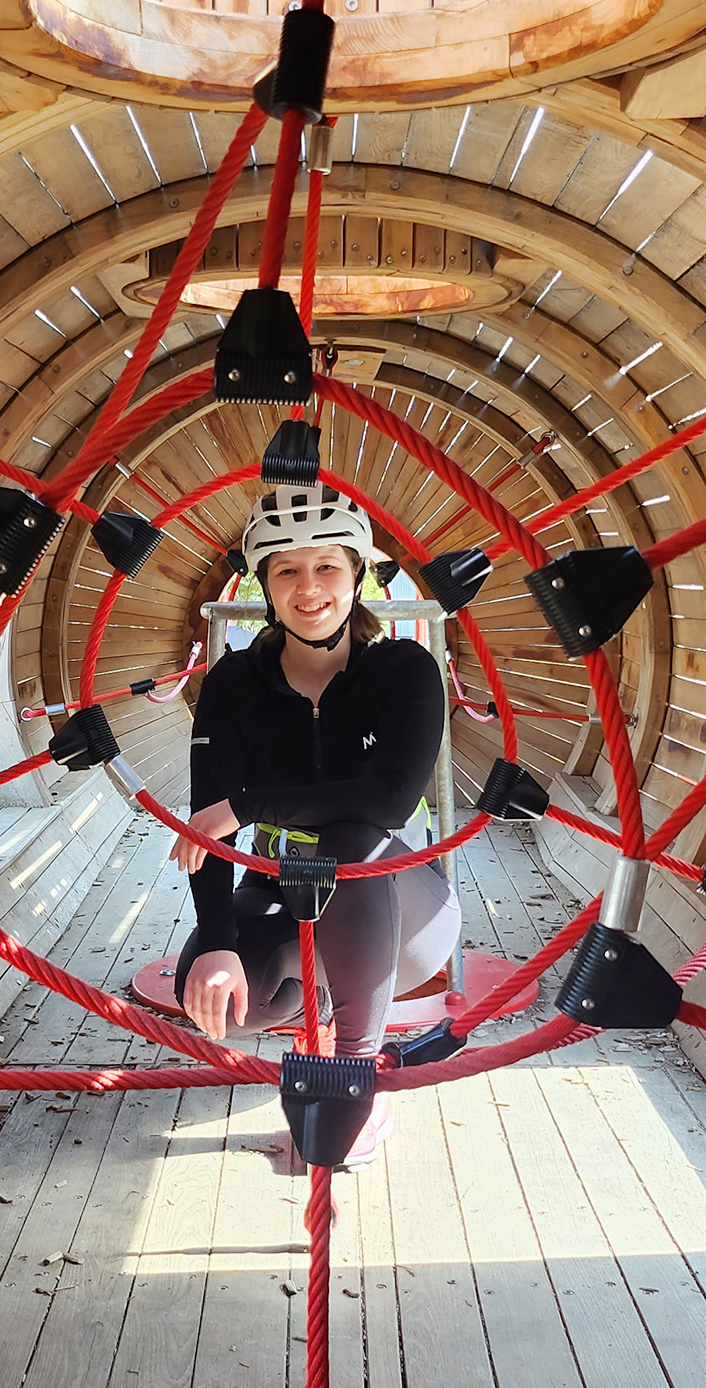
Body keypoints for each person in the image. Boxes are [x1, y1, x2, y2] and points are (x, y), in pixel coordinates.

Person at [168, 483, 463, 1168]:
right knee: (224, 998)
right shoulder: (233, 684)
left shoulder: (404, 670)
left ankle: (358, 1080)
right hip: (281, 895)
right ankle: (330, 1001)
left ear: (358, 574)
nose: (309, 588)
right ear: (265, 586)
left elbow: (386, 803)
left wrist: (248, 806)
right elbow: (207, 836)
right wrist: (216, 941)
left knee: (351, 843)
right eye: (287, 570)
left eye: (327, 566)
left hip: (404, 910)